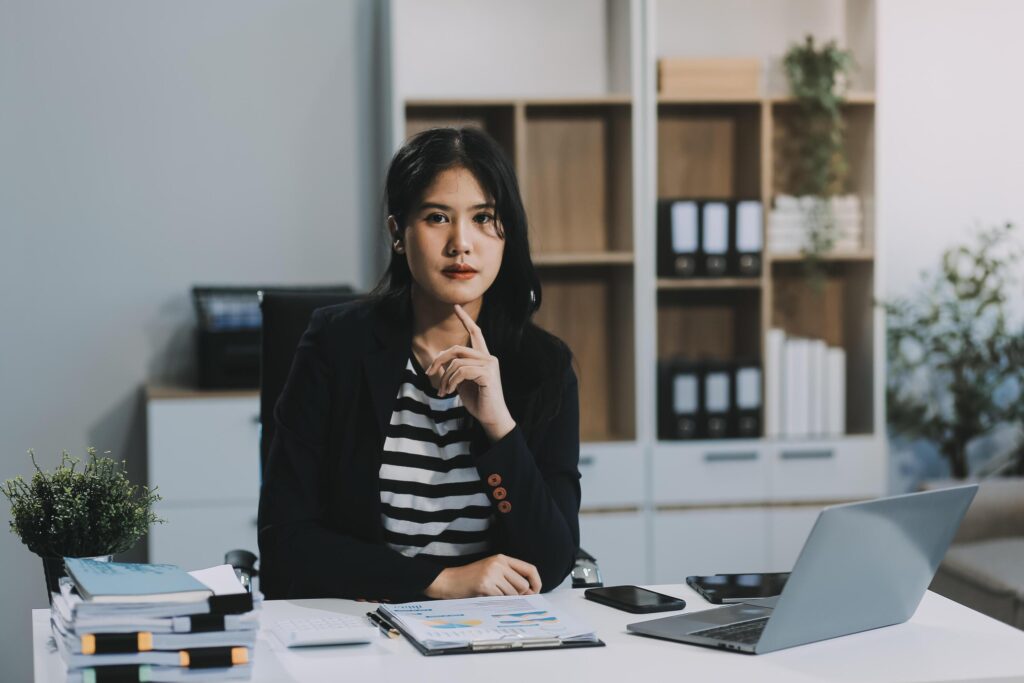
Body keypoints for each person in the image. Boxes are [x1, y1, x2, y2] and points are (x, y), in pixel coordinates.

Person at [257, 127, 581, 602]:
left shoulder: (543, 366)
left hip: (494, 637)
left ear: (506, 233)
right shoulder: (336, 346)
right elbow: (285, 542)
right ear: (397, 234)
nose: (461, 244)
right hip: (366, 630)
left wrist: (499, 425)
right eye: (436, 217)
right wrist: (440, 581)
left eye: (484, 218)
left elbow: (551, 563)